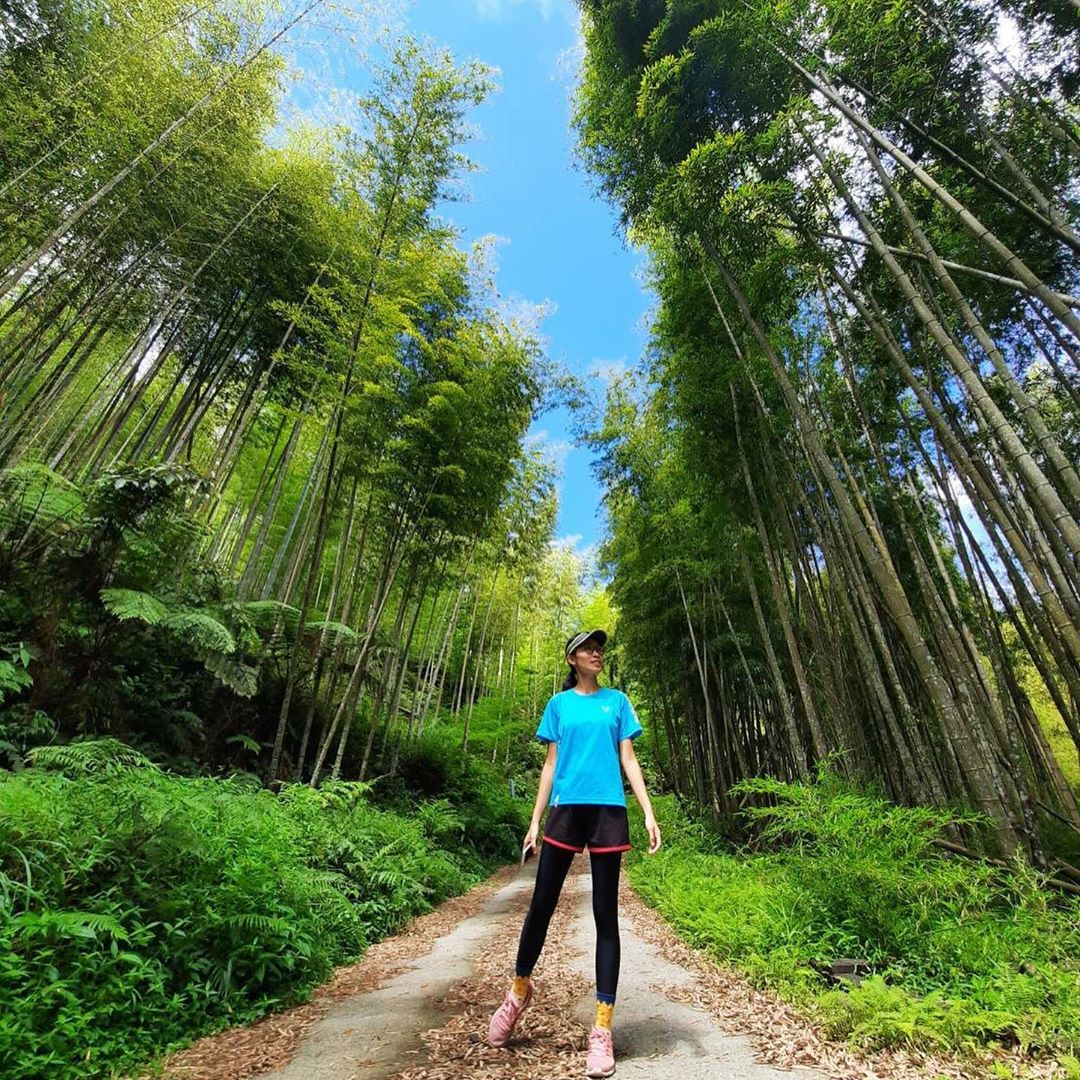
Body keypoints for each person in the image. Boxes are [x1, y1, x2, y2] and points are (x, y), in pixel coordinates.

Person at [487, 628, 662, 1078]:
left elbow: (628, 759)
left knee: (606, 915)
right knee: (541, 905)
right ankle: (518, 991)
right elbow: (549, 766)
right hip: (566, 810)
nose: (596, 654)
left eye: (599, 648)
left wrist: (648, 812)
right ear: (571, 659)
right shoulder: (558, 705)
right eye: (588, 649)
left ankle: (602, 1028)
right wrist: (533, 821)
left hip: (608, 810)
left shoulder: (618, 702)